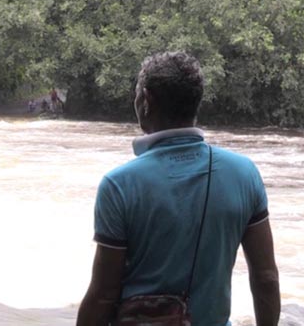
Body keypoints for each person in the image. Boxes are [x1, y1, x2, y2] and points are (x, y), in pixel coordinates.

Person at [77, 51, 280, 326]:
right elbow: (266, 278)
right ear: (196, 103)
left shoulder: (119, 185)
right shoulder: (244, 173)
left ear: (146, 100)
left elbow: (103, 295)